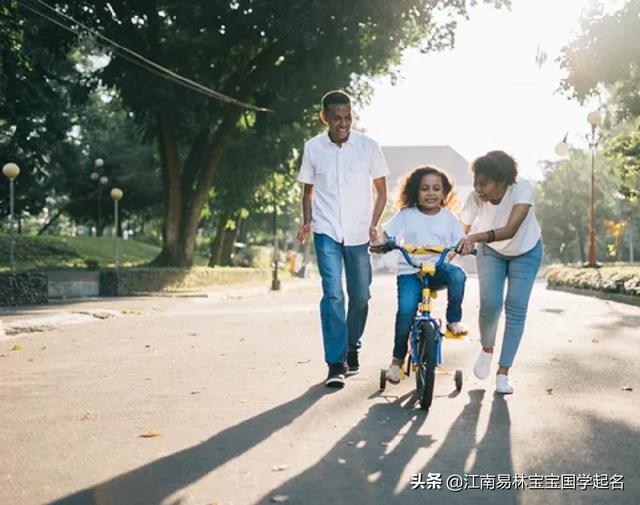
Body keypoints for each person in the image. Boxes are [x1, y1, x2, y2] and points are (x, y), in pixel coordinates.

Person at [297, 90, 389, 389]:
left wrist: (374, 224)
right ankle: (335, 364)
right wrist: (308, 222)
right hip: (326, 230)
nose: (343, 124)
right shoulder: (313, 148)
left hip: (359, 233)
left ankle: (352, 347)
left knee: (360, 296)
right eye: (336, 118)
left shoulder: (368, 146)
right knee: (333, 295)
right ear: (324, 117)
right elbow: (308, 191)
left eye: (348, 117)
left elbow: (382, 191)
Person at [457, 150, 543, 395]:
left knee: (516, 308)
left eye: (483, 184)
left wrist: (475, 237)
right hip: (491, 252)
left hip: (526, 250)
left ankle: (503, 372)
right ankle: (487, 350)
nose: (478, 189)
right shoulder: (476, 197)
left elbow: (511, 229)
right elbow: (460, 230)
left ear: (502, 181)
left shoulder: (521, 189)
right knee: (490, 304)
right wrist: (447, 254)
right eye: (476, 182)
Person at [380, 165, 468, 384]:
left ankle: (453, 320)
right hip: (410, 271)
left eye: (436, 189)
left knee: (458, 275)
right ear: (415, 191)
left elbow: (460, 240)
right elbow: (386, 233)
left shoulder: (448, 217)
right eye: (425, 188)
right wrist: (383, 243)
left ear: (444, 193)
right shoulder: (406, 214)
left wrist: (464, 246)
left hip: (437, 269)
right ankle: (396, 362)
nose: (431, 193)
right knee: (406, 312)